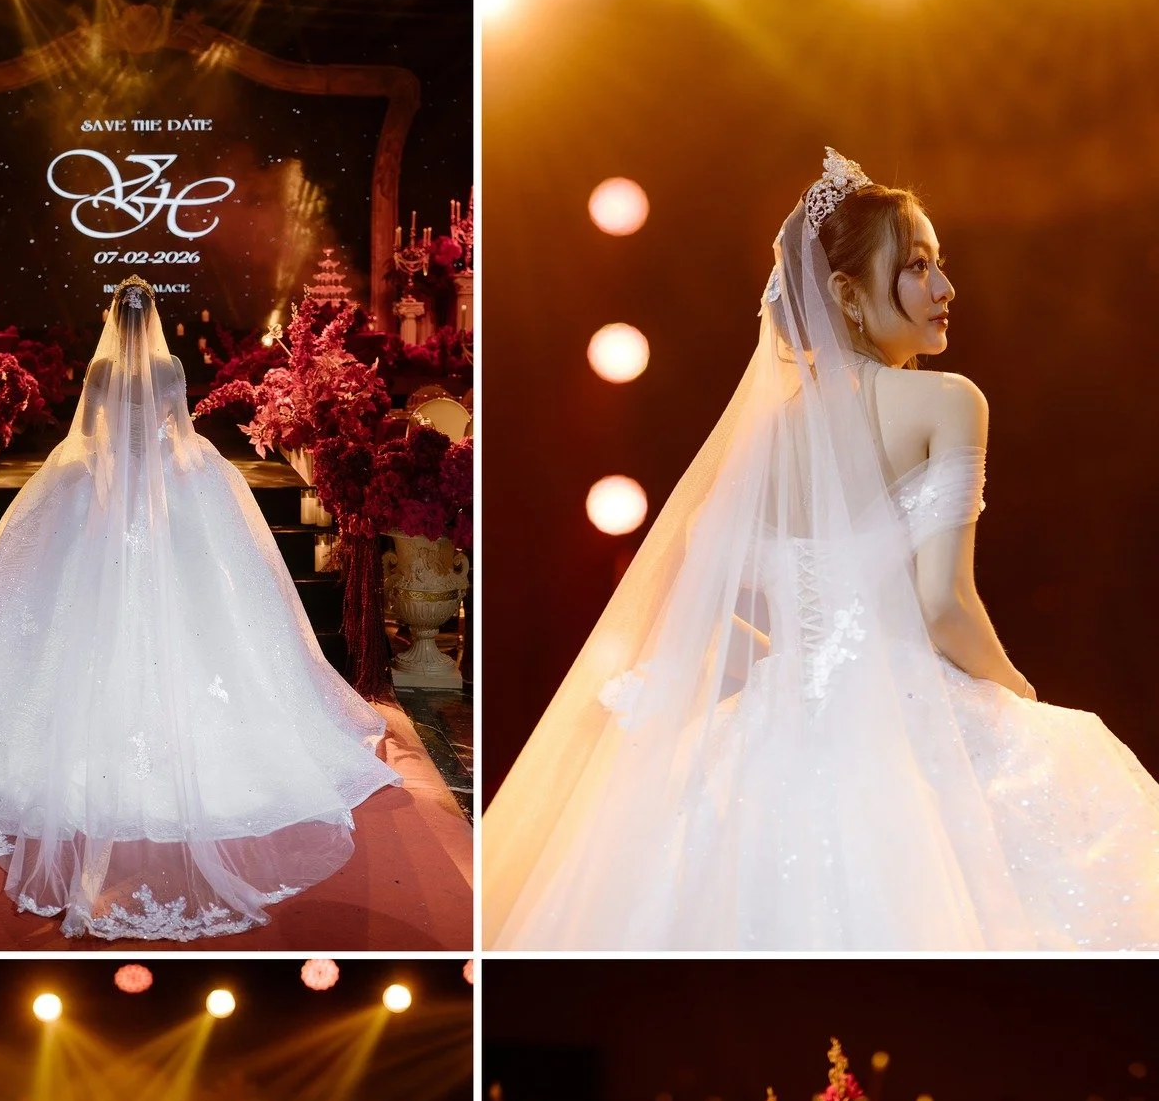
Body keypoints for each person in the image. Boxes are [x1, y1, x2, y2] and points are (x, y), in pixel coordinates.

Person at [483, 147, 1159, 950]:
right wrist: (1017, 693)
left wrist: (795, 665)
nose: (945, 288)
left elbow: (714, 609)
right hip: (912, 724)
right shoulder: (949, 402)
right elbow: (944, 604)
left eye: (939, 263)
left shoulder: (760, 443)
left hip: (771, 739)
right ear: (845, 293)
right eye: (916, 267)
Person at [0, 275, 401, 942]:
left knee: (74, 615)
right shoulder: (171, 369)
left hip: (101, 491)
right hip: (165, 495)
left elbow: (89, 437)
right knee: (200, 618)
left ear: (111, 321)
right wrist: (165, 477)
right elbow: (179, 438)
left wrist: (105, 483)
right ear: (151, 318)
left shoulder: (100, 373)